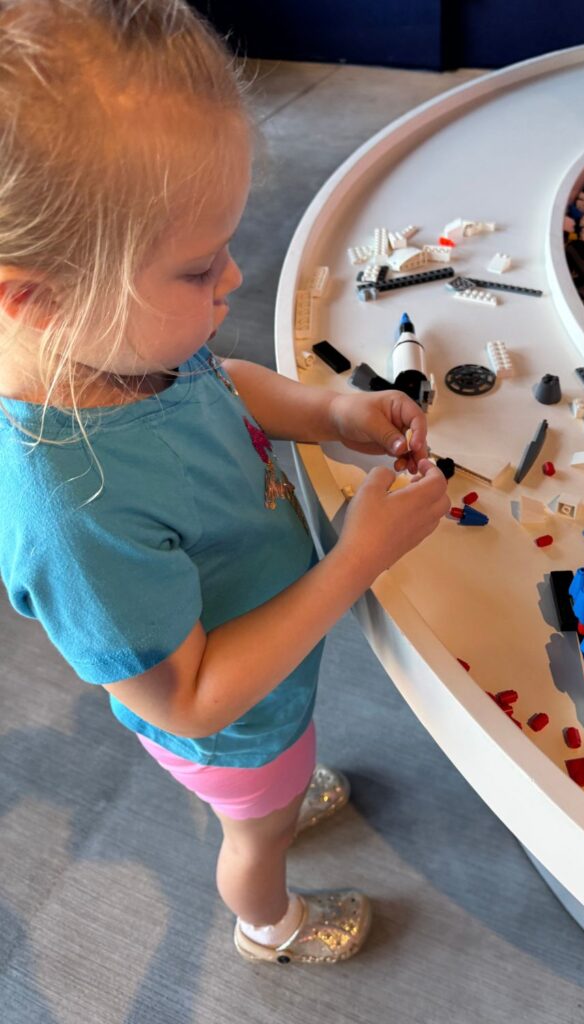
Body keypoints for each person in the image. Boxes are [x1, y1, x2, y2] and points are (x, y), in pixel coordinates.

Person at [0, 0, 450, 966]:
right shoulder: (71, 512)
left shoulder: (126, 350)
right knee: (257, 836)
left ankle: (277, 793)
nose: (235, 278)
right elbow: (190, 701)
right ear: (34, 297)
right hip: (230, 726)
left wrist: (328, 414)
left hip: (268, 682)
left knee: (276, 789)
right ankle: (268, 924)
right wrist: (356, 559)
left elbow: (224, 383)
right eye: (199, 266)